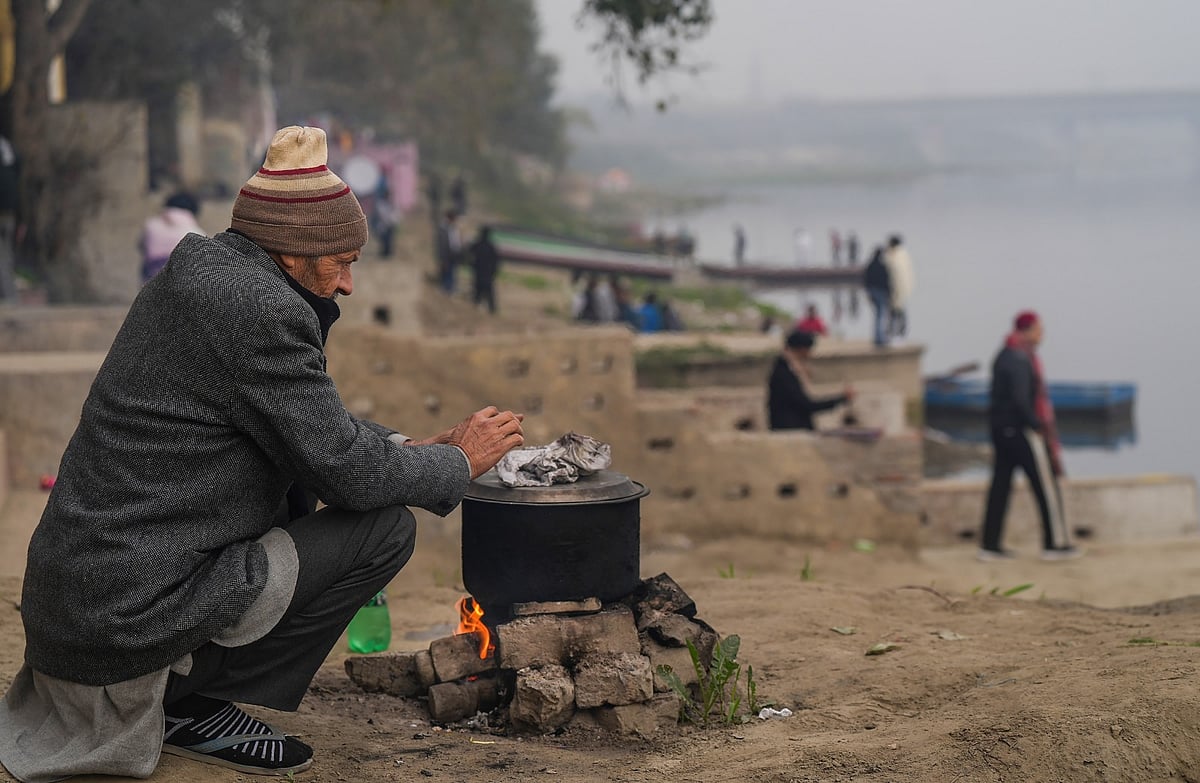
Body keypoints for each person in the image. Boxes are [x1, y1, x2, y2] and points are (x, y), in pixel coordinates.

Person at [0, 126, 526, 781]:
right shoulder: (260, 310)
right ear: (297, 249)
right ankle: (188, 700)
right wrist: (457, 464)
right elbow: (346, 472)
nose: (350, 283)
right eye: (343, 260)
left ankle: (188, 684)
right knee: (384, 527)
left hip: (82, 613)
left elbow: (301, 420)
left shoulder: (207, 273)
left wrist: (404, 446)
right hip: (124, 632)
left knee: (353, 494)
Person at [979, 311, 1078, 562]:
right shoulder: (1019, 360)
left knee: (1000, 486)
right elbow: (1021, 399)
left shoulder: (1005, 354)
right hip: (1020, 431)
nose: (1041, 334)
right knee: (1045, 485)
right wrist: (1037, 426)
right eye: (1039, 329)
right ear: (1028, 330)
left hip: (1000, 429)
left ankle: (989, 544)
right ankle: (1054, 544)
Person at [767, 330, 854, 431]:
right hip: (791, 430)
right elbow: (806, 405)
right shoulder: (783, 374)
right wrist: (841, 398)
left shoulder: (787, 369)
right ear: (802, 349)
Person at [139, 191, 205, 284]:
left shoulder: (151, 225)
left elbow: (142, 246)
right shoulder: (196, 233)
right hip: (181, 283)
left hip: (150, 278)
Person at [0, 134, 19, 302]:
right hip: (10, 215)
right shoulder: (11, 173)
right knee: (6, 256)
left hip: (5, 216)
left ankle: (9, 296)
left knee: (4, 256)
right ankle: (11, 296)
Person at [883, 234, 914, 338]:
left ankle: (894, 332)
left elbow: (893, 273)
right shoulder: (904, 255)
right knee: (899, 311)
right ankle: (900, 332)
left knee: (894, 312)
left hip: (895, 289)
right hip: (902, 289)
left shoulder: (894, 255)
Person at [862, 245, 891, 347]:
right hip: (881, 293)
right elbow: (886, 281)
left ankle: (878, 337)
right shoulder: (883, 266)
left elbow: (865, 281)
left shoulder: (870, 265)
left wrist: (868, 293)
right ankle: (880, 339)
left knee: (878, 315)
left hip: (873, 292)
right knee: (881, 315)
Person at [469, 225, 500, 314]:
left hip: (479, 273)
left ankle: (473, 311)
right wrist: (493, 273)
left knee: (477, 294)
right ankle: (491, 311)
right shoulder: (491, 247)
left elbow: (469, 254)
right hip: (487, 275)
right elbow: (496, 262)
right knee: (488, 295)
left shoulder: (477, 245)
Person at [436, 209, 462, 294]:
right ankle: (446, 289)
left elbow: (456, 241)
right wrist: (442, 257)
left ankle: (450, 288)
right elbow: (443, 245)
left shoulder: (453, 228)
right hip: (447, 254)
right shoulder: (444, 228)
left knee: (452, 271)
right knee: (446, 271)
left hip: (454, 254)